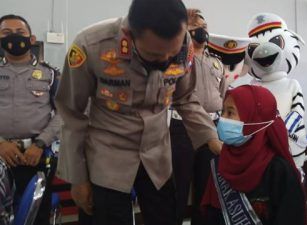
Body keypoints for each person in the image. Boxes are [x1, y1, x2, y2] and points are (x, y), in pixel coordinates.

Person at [54, 0, 222, 224]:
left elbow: (185, 97)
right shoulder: (91, 46)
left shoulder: (184, 45)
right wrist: (77, 178)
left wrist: (211, 137)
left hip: (157, 158)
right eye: (154, 55)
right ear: (129, 34)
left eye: (171, 55)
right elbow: (72, 114)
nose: (164, 61)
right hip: (107, 158)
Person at [201, 85, 307, 225]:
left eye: (230, 112)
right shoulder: (220, 163)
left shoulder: (279, 171)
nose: (222, 119)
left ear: (254, 119)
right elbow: (209, 215)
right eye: (223, 111)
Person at [0, 14, 60, 225]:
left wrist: (40, 144)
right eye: (7, 33)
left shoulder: (50, 75)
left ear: (31, 39)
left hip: (37, 155)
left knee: (37, 215)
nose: (14, 38)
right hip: (1, 156)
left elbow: (65, 114)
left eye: (20, 33)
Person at [169, 8, 227, 225]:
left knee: (206, 187)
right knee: (179, 187)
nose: (202, 32)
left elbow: (221, 94)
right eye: (196, 28)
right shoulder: (178, 58)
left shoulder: (217, 62)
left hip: (212, 127)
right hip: (182, 127)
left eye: (205, 28)